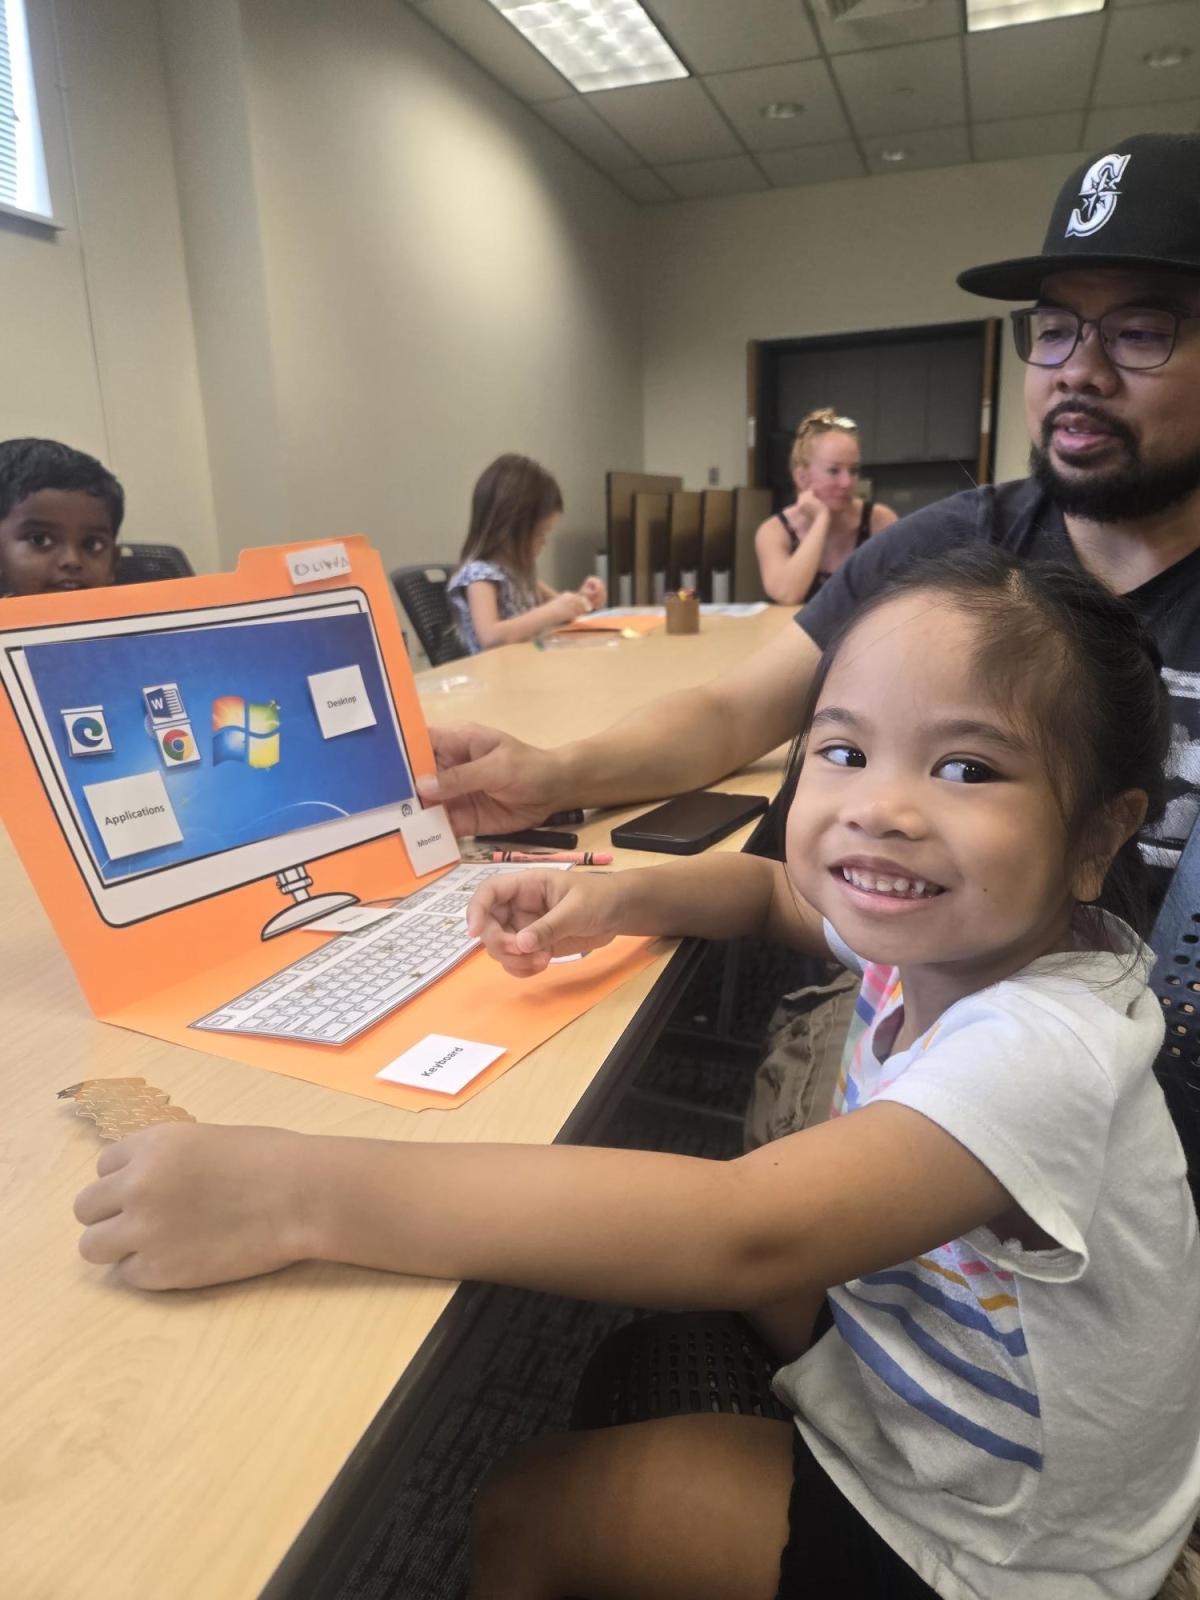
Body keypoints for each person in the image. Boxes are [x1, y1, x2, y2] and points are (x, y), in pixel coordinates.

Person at [73, 550, 1200, 1599]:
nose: (878, 809)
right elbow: (774, 893)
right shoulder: (970, 930)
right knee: (712, 1214)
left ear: (1101, 835)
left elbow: (736, 1230)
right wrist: (614, 893)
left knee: (526, 1505)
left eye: (967, 767)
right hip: (945, 1366)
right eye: (845, 750)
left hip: (1003, 1544)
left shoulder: (1044, 1046)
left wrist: (288, 1192)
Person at [416, 131, 1200, 901]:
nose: (1078, 374)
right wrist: (552, 775)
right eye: (1056, 331)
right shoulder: (958, 548)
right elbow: (731, 714)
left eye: (1139, 333)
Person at [447, 453, 606, 653]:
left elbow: (561, 608)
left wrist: (583, 599)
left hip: (527, 666)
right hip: (496, 676)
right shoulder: (480, 575)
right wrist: (551, 612)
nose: (544, 542)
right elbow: (490, 636)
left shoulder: (519, 574)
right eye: (540, 532)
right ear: (507, 528)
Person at [754, 408, 897, 606]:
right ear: (802, 477)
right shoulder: (774, 531)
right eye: (834, 470)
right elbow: (788, 594)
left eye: (853, 470)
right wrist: (821, 520)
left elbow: (901, 595)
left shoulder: (879, 521)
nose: (847, 482)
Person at [0, 437, 123, 596]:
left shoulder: (141, 619)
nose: (72, 560)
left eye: (92, 544)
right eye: (40, 540)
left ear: (113, 563)